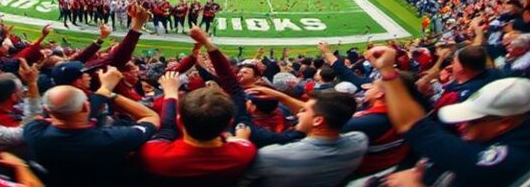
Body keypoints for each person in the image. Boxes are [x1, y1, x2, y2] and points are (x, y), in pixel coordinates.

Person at [365, 46, 530, 187]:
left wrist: (414, 184)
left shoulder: (509, 160)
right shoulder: (493, 78)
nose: (461, 125)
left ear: (504, 123)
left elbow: (414, 126)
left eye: (472, 121)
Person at [22, 66, 160, 186]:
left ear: (47, 110)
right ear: (85, 107)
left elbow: (34, 116)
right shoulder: (113, 138)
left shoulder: (33, 132)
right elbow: (152, 117)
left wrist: (103, 92)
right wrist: (110, 94)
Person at [139, 71, 257, 186]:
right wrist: (240, 136)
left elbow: (166, 131)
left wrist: (170, 93)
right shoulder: (244, 153)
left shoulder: (153, 155)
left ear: (179, 121)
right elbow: (240, 139)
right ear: (228, 124)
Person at [238, 90, 368, 187]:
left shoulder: (271, 155)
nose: (298, 114)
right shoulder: (359, 142)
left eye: (304, 110)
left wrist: (241, 140)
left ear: (317, 121)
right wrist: (283, 97)